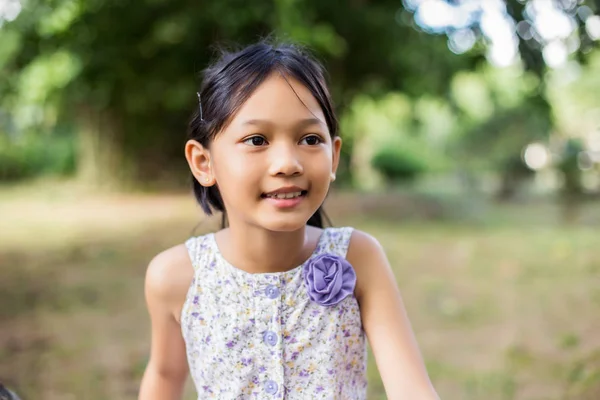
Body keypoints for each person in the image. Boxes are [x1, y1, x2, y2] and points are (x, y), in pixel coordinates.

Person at [138, 39, 439, 400]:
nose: (287, 163)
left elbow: (411, 388)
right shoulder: (174, 277)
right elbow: (164, 375)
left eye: (310, 138)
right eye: (257, 139)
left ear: (334, 156)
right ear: (205, 163)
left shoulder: (359, 258)